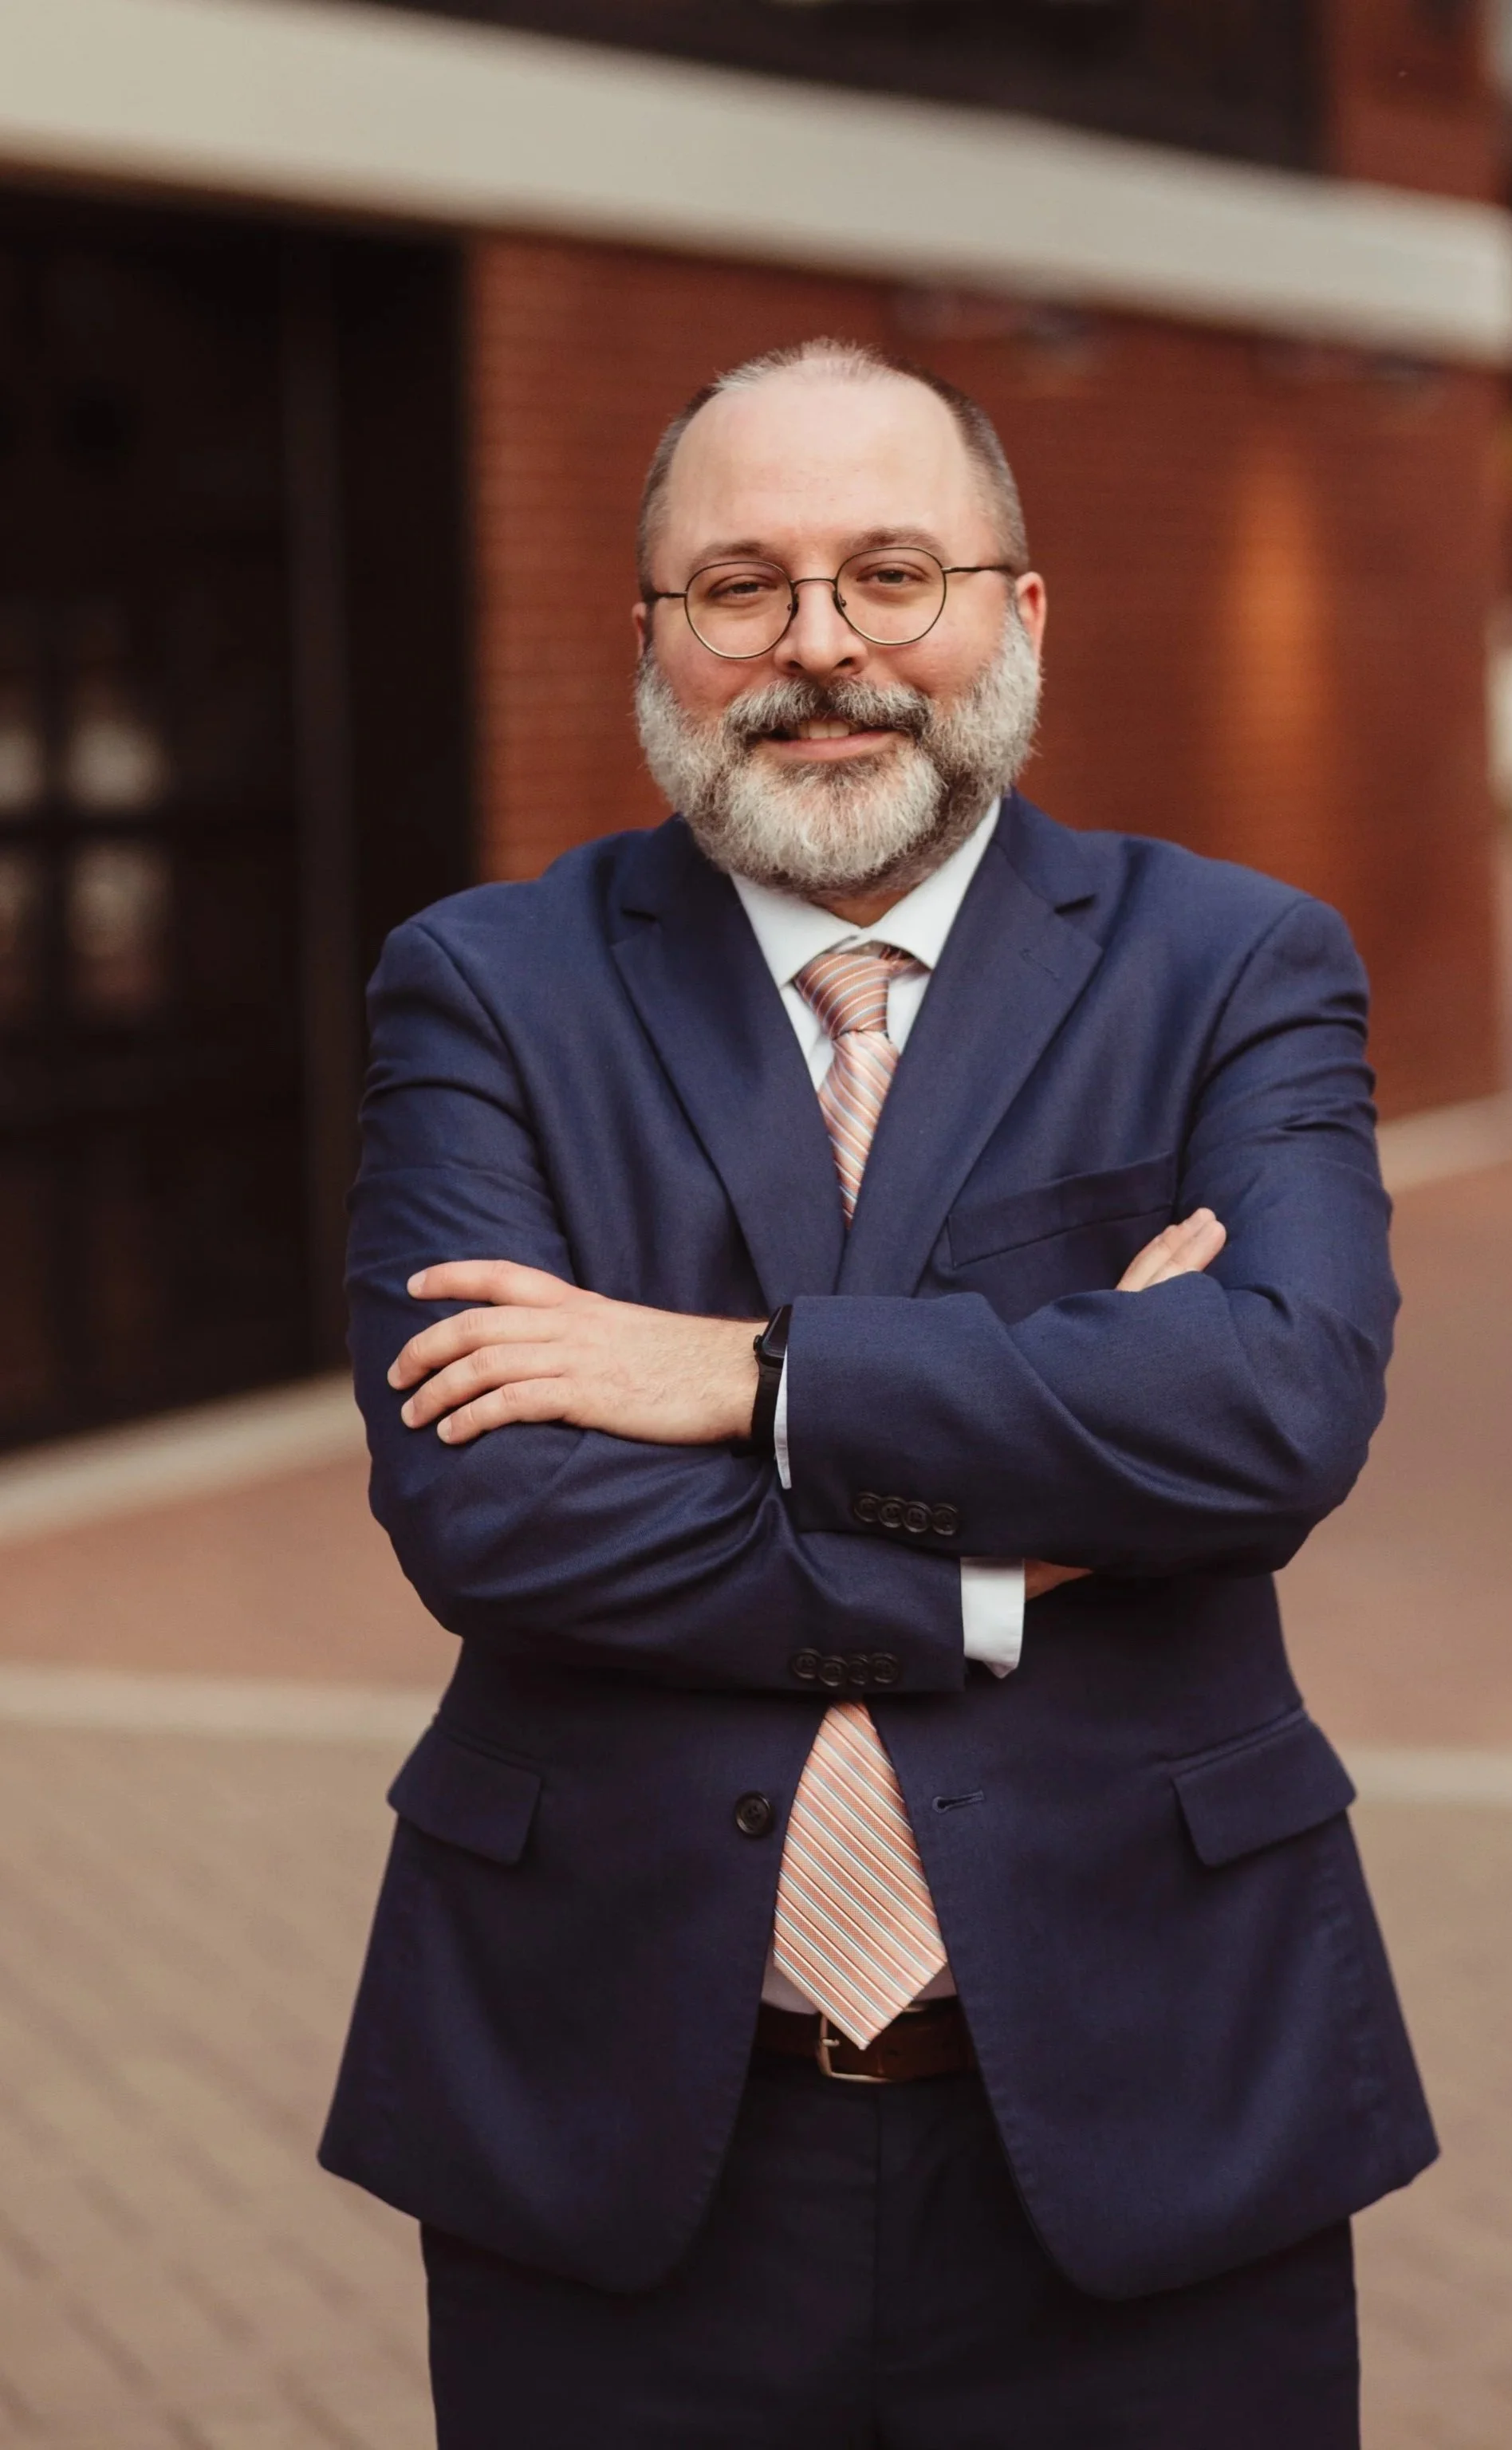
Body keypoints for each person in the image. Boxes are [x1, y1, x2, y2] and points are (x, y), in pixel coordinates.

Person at [321, 338, 1435, 2447]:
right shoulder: (483, 984)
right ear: (654, 636)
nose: (820, 645)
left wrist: (741, 1376)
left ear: (1020, 611)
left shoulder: (1235, 963)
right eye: (741, 583)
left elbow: (1277, 1409)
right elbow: (492, 1508)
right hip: (627, 2110)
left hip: (1156, 2096)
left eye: (891, 573)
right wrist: (1018, 1547)